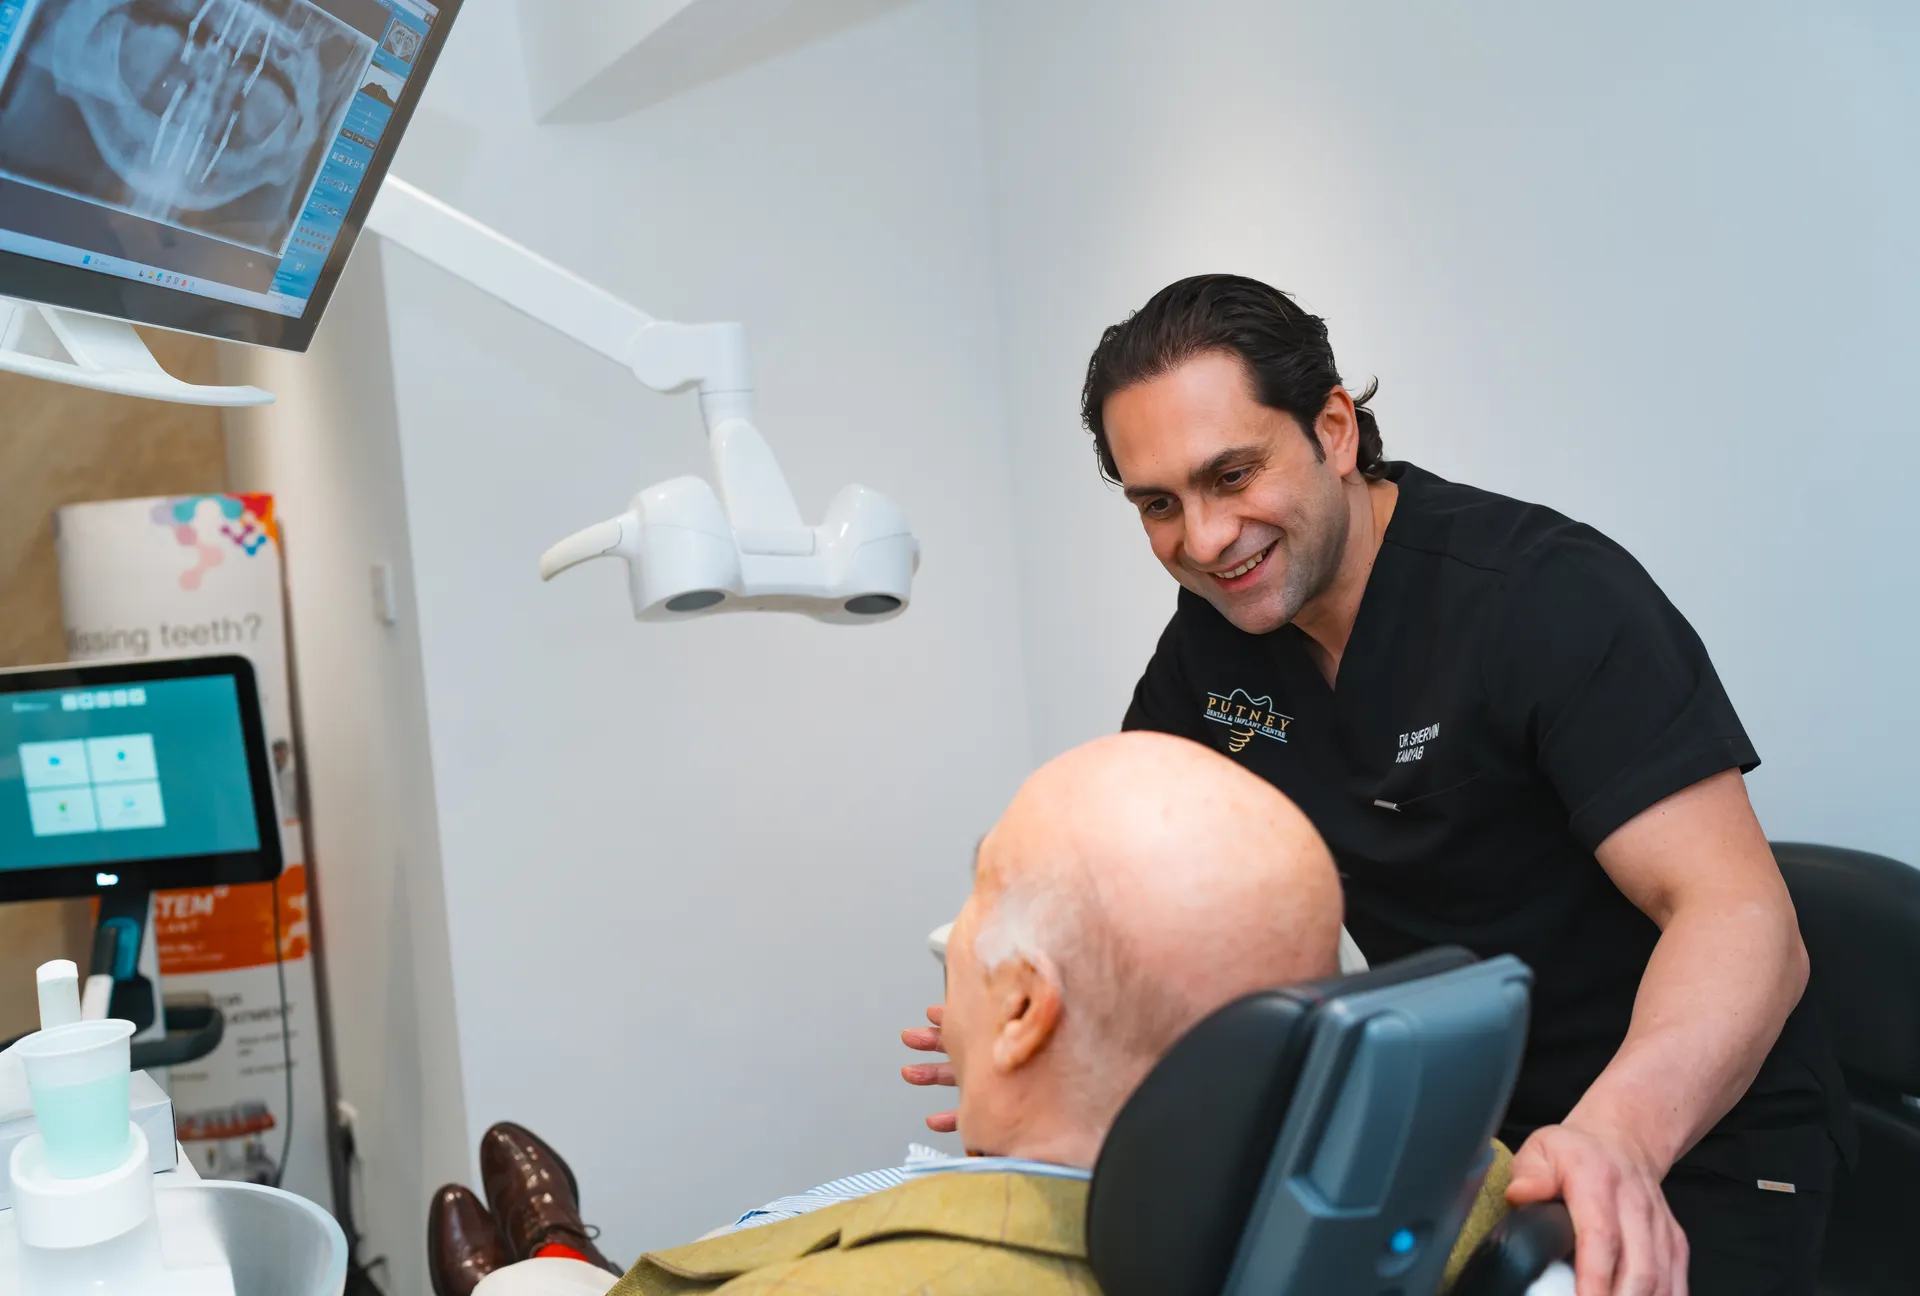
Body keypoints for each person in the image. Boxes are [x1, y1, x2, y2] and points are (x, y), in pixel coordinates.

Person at [914, 274, 1853, 1296]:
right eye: (1159, 505)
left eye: (1231, 475)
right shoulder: (1218, 646)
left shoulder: (1540, 597)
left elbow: (1742, 913)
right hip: (1463, 1141)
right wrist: (1026, 999)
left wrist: (1620, 1135)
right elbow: (1118, 875)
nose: (1204, 540)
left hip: (1689, 1135)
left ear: (1333, 429)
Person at [430, 732, 1515, 1296]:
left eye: (980, 885)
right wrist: (1040, 1078)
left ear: (1029, 1008)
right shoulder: (1459, 1184)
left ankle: (551, 1258)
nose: (952, 933)